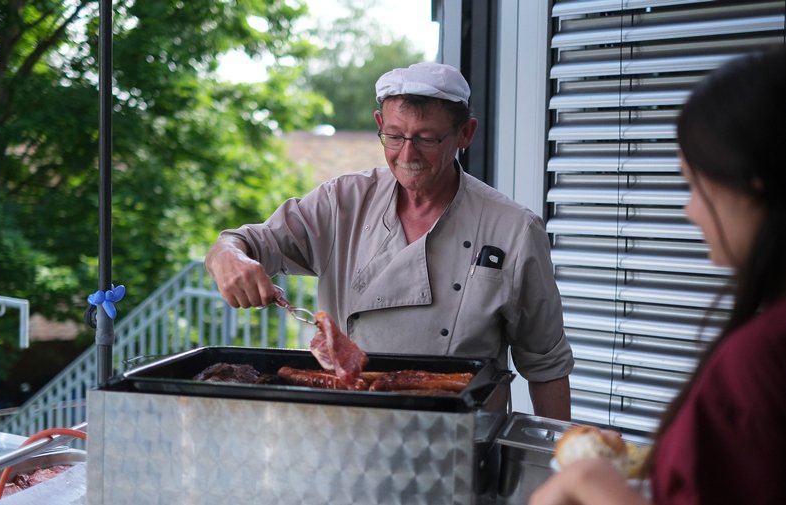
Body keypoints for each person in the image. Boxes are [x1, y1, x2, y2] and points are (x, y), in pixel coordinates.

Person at [205, 62, 574, 420]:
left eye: (427, 138)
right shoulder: (342, 202)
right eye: (394, 136)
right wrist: (228, 256)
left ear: (466, 134)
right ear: (380, 124)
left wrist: (562, 466)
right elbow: (245, 241)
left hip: (461, 446)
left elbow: (547, 364)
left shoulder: (513, 229)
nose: (407, 155)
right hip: (348, 431)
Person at [529, 45, 786, 505]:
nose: (689, 211)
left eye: (694, 184)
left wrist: (588, 480)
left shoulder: (761, 360)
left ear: (753, 184)